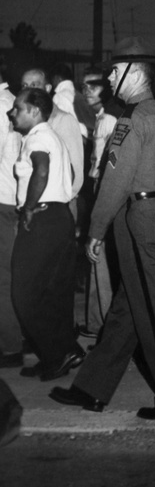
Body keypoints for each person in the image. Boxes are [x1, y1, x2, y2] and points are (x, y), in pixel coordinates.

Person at [50, 37, 155, 419]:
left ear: (134, 74)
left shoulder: (131, 122)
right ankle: (92, 389)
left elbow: (114, 183)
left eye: (114, 72)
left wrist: (95, 231)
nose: (110, 79)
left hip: (139, 221)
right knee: (128, 309)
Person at [8, 87, 79, 381]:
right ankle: (65, 350)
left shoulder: (38, 138)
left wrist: (28, 208)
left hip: (42, 219)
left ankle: (56, 354)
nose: (12, 113)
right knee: (53, 292)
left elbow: (41, 170)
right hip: (59, 217)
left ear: (34, 111)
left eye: (18, 108)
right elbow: (70, 174)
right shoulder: (53, 136)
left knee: (23, 294)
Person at [80, 72, 119, 337]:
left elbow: (107, 163)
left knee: (99, 254)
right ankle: (98, 322)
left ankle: (101, 324)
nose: (87, 90)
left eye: (93, 85)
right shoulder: (100, 117)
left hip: (103, 188)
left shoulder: (109, 118)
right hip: (98, 187)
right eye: (84, 85)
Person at [21, 69, 85, 218]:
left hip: (57, 208)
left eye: (34, 85)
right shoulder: (23, 121)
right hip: (31, 205)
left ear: (48, 88)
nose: (29, 90)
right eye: (24, 85)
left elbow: (76, 172)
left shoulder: (63, 119)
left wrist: (62, 205)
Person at [0, 73, 22, 369]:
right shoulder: (10, 101)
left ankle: (10, 346)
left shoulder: (2, 105)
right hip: (9, 199)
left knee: (4, 279)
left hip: (2, 201)